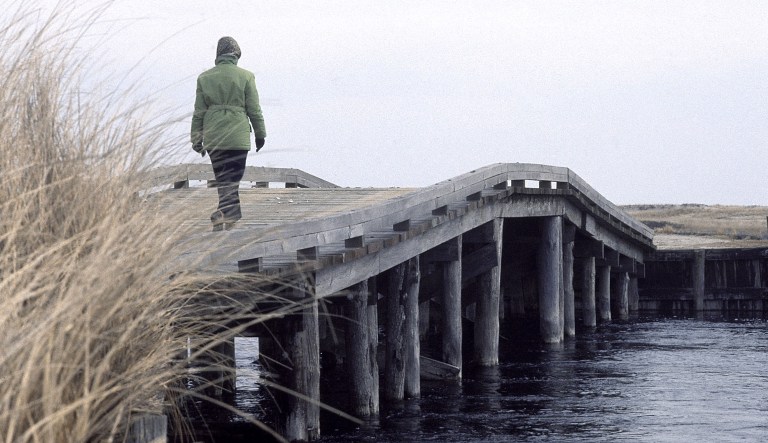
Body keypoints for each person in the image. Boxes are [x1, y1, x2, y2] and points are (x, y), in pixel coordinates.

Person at [191, 36, 266, 231]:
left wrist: (196, 139)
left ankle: (225, 214)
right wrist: (260, 134)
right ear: (235, 55)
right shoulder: (247, 76)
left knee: (224, 178)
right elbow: (254, 109)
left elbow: (199, 112)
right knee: (233, 178)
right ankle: (227, 215)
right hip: (238, 136)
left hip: (214, 136)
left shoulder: (205, 78)